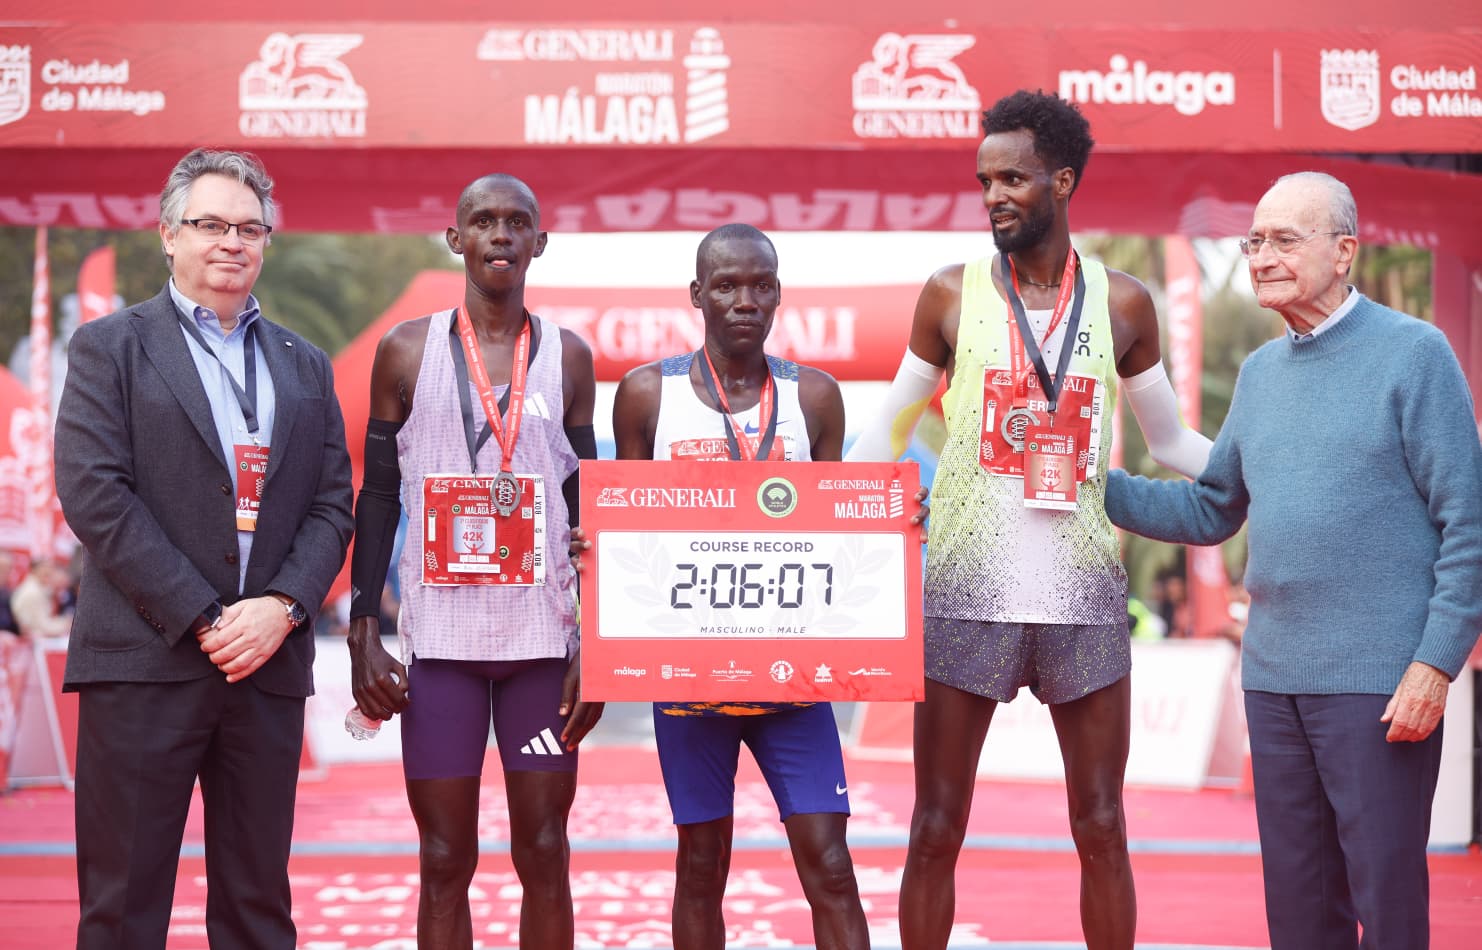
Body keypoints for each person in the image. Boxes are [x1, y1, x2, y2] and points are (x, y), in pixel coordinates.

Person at [845, 89, 1212, 950]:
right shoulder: (948, 293)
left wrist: (1266, 468)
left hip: (1083, 598)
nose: (995, 196)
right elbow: (884, 434)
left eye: (1013, 177)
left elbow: (1173, 443)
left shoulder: (1124, 305)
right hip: (964, 592)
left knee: (1102, 826)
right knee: (937, 825)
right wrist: (815, 509)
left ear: (1064, 179)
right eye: (985, 181)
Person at [1105, 171, 1482, 949]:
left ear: (1344, 251)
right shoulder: (1260, 375)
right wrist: (1089, 489)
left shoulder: (1416, 355)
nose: (1262, 256)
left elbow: (1469, 525)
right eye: (1253, 241)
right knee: (1301, 911)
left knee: (1388, 902)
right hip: (1274, 684)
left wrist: (1436, 665)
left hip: (1381, 686)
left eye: (1285, 239)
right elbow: (1213, 507)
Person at [54, 147, 354, 948]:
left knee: (259, 909)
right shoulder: (108, 347)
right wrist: (202, 614)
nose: (233, 242)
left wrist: (283, 609)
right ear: (168, 235)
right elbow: (94, 494)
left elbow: (332, 505)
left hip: (265, 666)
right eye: (212, 224)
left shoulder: (304, 365)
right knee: (122, 906)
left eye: (251, 228)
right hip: (145, 661)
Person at [346, 173, 603, 949]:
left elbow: (590, 509)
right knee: (444, 856)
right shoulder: (406, 349)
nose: (500, 235)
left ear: (539, 243)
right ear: (455, 240)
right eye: (483, 222)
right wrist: (364, 626)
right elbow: (379, 497)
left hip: (539, 649)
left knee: (546, 853)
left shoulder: (569, 356)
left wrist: (599, 641)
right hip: (442, 653)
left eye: (516, 222)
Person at [609, 223, 869, 949]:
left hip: (791, 674)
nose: (744, 299)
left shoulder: (814, 397)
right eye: (726, 285)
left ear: (779, 294)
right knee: (701, 867)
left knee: (831, 865)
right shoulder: (645, 395)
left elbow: (837, 533)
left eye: (760, 285)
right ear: (697, 295)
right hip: (690, 675)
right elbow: (622, 537)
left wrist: (887, 525)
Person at [9, 557, 73, 640]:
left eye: (51, 568)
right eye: (44, 568)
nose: (49, 571)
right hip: (32, 643)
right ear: (34, 570)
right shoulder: (32, 592)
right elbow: (42, 626)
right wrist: (67, 623)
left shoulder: (41, 590)